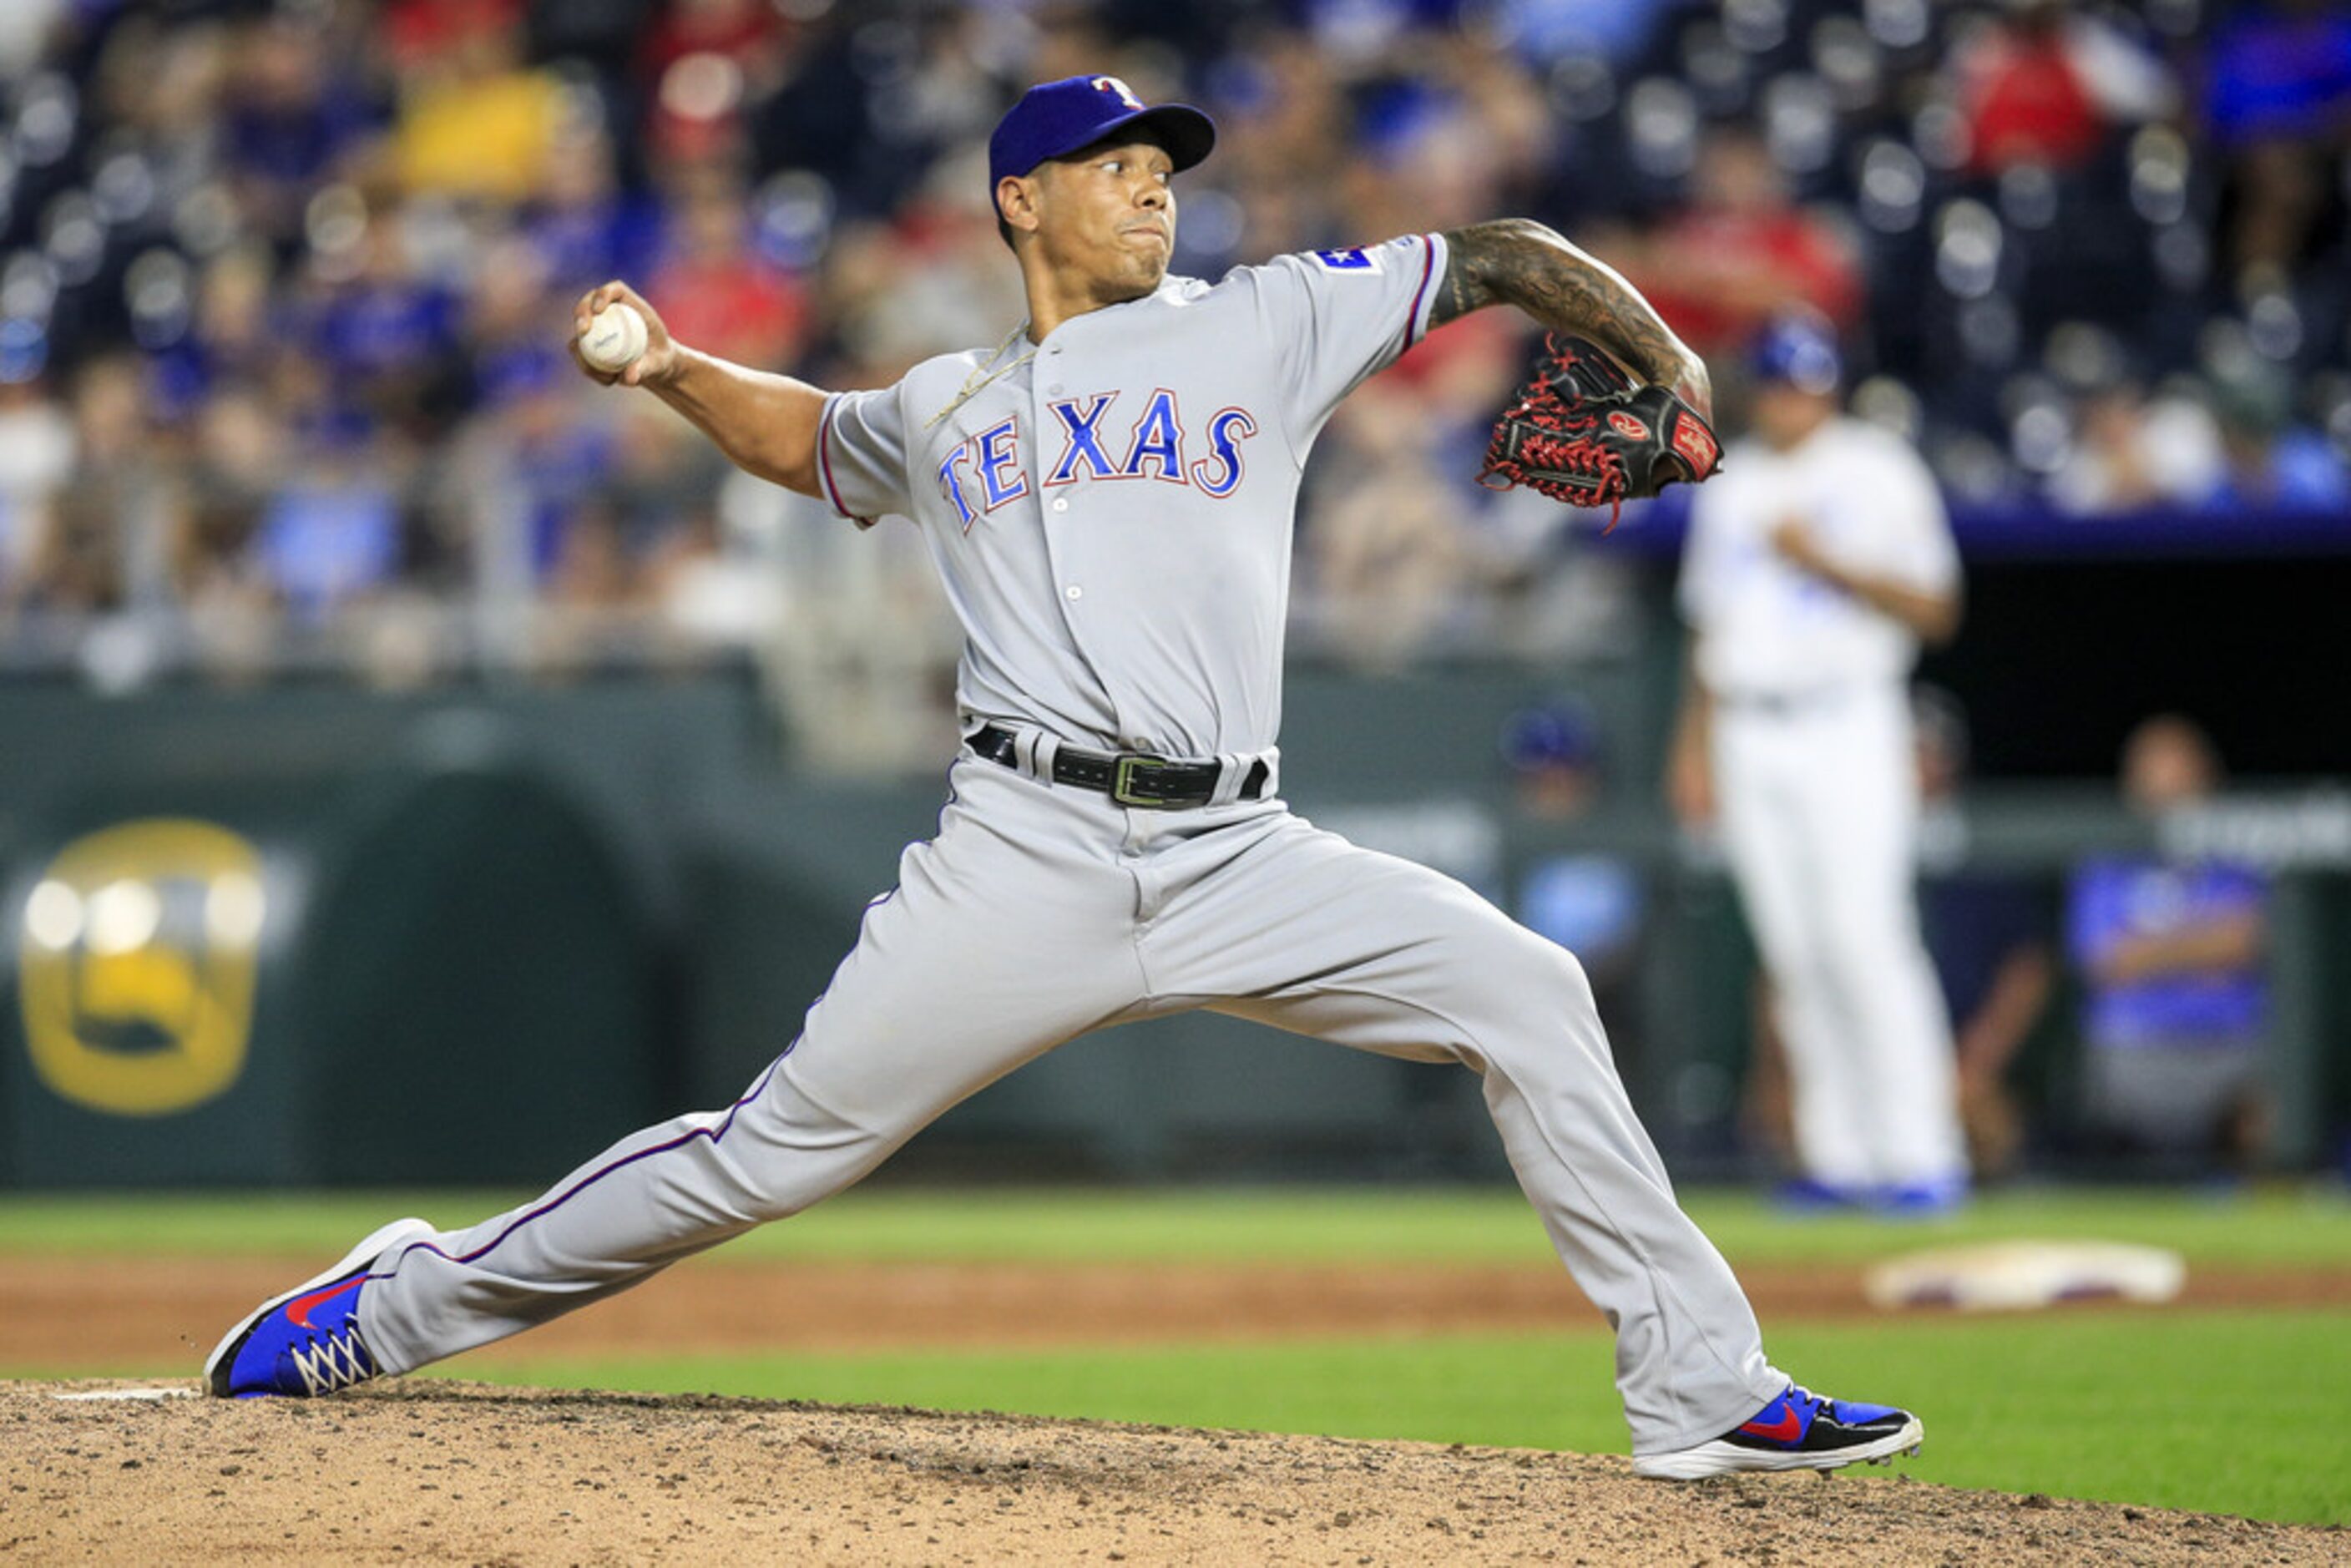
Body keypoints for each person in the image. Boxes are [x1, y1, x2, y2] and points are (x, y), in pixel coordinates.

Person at [205, 75, 1923, 1480]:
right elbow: (808, 437)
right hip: (1016, 854)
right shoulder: (950, 402)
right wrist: (664, 369)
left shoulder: (1264, 325)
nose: (1151, 190)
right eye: (1110, 169)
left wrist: (1668, 363)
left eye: (1160, 167)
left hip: (1240, 848)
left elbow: (1495, 248)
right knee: (768, 1158)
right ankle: (403, 1303)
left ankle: (1696, 1383)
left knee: (1527, 990)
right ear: (1019, 200)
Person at [1668, 311, 1969, 1215]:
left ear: (1829, 387)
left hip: (1847, 721)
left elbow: (1935, 609)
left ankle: (1920, 1154)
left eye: (1803, 382)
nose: (1788, 398)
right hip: (1748, 727)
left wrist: (1826, 561)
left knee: (1863, 935)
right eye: (1774, 382)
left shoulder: (1876, 468)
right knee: (1793, 952)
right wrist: (1691, 748)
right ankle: (1838, 1159)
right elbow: (1707, 626)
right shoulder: (1731, 484)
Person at [2066, 716, 2270, 1171]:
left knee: (2269, 1105)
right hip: (2135, 1050)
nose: (2166, 792)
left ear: (2206, 779)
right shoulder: (2109, 860)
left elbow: (2254, 938)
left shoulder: (2237, 854)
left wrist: (2154, 951)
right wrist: (2207, 946)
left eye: (2179, 775)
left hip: (2230, 1049)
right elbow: (2106, 961)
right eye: (2152, 775)